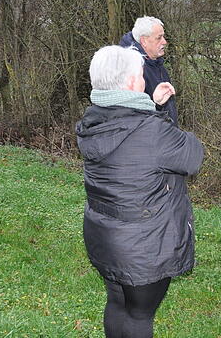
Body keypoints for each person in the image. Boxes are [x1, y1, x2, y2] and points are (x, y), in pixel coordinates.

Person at [76, 45, 203, 338]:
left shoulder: (93, 121)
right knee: (140, 315)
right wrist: (162, 113)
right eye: (140, 76)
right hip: (144, 244)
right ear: (133, 83)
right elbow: (192, 156)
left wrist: (151, 105)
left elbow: (131, 132)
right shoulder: (152, 131)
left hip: (106, 235)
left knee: (118, 302)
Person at [120, 16, 179, 127]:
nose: (164, 42)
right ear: (144, 41)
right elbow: (133, 115)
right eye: (159, 38)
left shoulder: (156, 62)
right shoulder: (132, 69)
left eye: (163, 37)